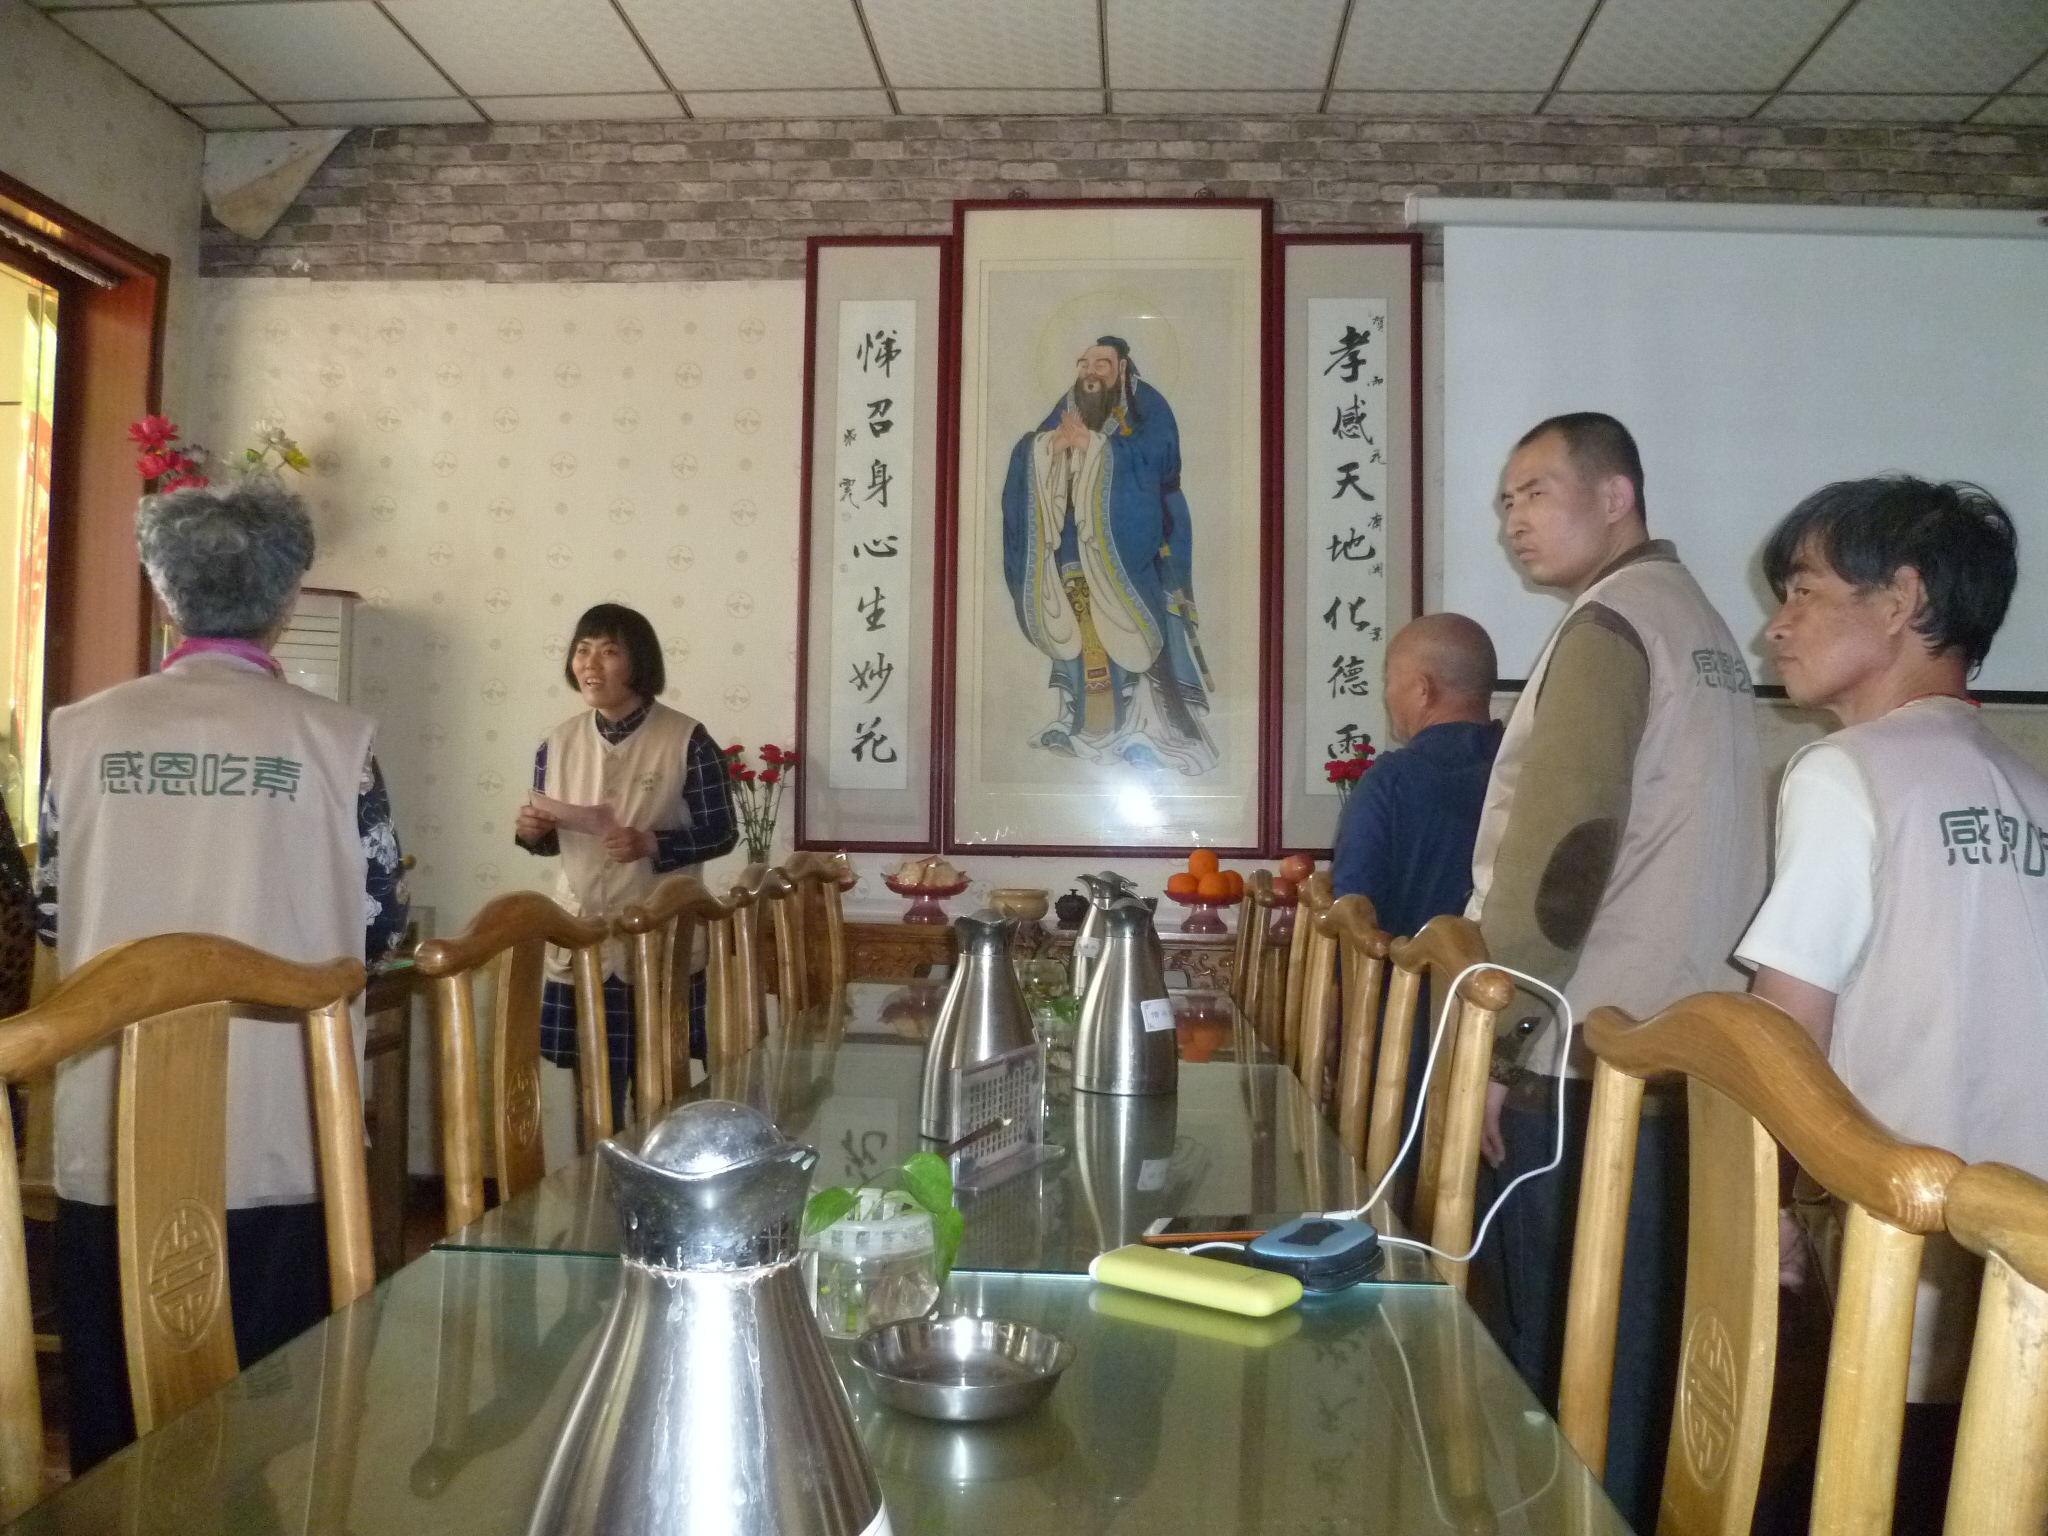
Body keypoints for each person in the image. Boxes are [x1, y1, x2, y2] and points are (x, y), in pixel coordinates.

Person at [35, 479, 408, 1473]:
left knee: (118, 1417)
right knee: (267, 1424)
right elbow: (378, 924)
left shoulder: (78, 733)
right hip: (282, 1118)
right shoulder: (338, 744)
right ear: (287, 603)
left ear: (166, 596)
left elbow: (47, 909)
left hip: (113, 1120)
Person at [1465, 412, 1766, 1531]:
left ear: (1615, 495)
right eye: (1503, 502)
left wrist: (1492, 1040)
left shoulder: (1610, 624)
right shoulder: (1701, 626)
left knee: (1565, 1364)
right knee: (1640, 1354)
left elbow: (1561, 857)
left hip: (1589, 1057)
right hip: (1682, 1049)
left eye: (1534, 491)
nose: (1511, 521)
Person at [1735, 476, 2043, 1535]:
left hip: (1903, 1260)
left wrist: (1763, 1206)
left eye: (1802, 590)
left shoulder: (1840, 773)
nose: (1773, 624)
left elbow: (1781, 1035)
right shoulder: (2032, 794)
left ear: (1902, 597)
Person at [514, 604, 736, 1126]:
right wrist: (532, 835)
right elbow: (553, 844)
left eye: (609, 651)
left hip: (658, 943)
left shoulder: (689, 739)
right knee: (593, 1090)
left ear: (640, 664)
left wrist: (653, 844)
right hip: (582, 937)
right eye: (583, 649)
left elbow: (723, 832)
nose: (591, 663)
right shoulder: (558, 742)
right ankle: (598, 1193)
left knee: (663, 1088)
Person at [1332, 614, 1503, 1172]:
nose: (1388, 697)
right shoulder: (1526, 772)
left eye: (1390, 680)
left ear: (1423, 689)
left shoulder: (1394, 782)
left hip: (1407, 1040)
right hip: (1515, 1037)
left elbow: (1352, 914)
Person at [999, 336, 1215, 774]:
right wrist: (1048, 451)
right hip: (1083, 540)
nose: (1090, 372)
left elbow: (1163, 458)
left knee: (1150, 617)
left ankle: (1160, 729)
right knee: (1082, 619)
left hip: (1150, 533)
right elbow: (1036, 448)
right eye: (1083, 364)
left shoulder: (1147, 403)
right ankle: (1085, 722)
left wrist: (1098, 449)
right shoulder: (1071, 404)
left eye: (1101, 363)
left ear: (1122, 366)